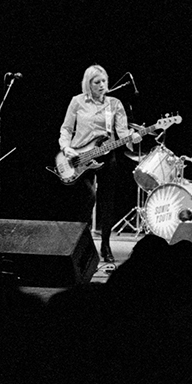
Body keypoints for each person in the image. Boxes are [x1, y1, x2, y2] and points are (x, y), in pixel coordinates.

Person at [59, 64, 141, 263]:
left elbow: (121, 133)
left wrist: (133, 137)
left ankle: (105, 245)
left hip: (107, 155)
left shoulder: (115, 104)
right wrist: (66, 147)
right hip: (80, 157)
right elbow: (66, 129)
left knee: (107, 201)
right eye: (97, 82)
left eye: (104, 81)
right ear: (89, 84)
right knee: (88, 197)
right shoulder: (77, 101)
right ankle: (80, 244)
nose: (102, 85)